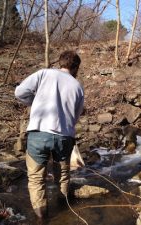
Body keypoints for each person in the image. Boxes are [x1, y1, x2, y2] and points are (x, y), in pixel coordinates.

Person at [15, 50, 84, 224]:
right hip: (64, 136)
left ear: (60, 62)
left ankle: (41, 218)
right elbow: (75, 117)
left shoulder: (43, 73)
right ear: (76, 68)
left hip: (39, 133)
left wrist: (36, 101)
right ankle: (63, 209)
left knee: (36, 179)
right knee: (62, 175)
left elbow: (19, 92)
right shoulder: (77, 86)